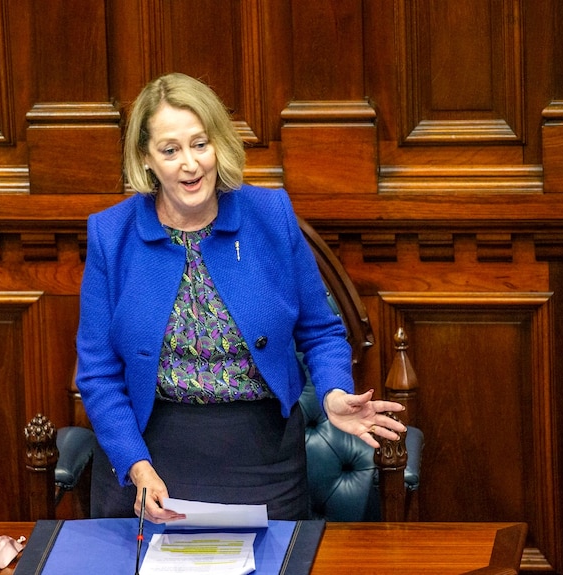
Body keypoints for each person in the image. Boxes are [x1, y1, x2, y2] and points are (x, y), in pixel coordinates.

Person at [75, 72, 406, 523]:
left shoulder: (270, 215)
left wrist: (332, 393)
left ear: (219, 145)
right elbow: (97, 373)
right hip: (152, 456)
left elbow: (322, 330)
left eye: (200, 144)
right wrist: (135, 464)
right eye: (170, 150)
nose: (189, 164)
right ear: (146, 158)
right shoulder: (110, 234)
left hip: (261, 456)